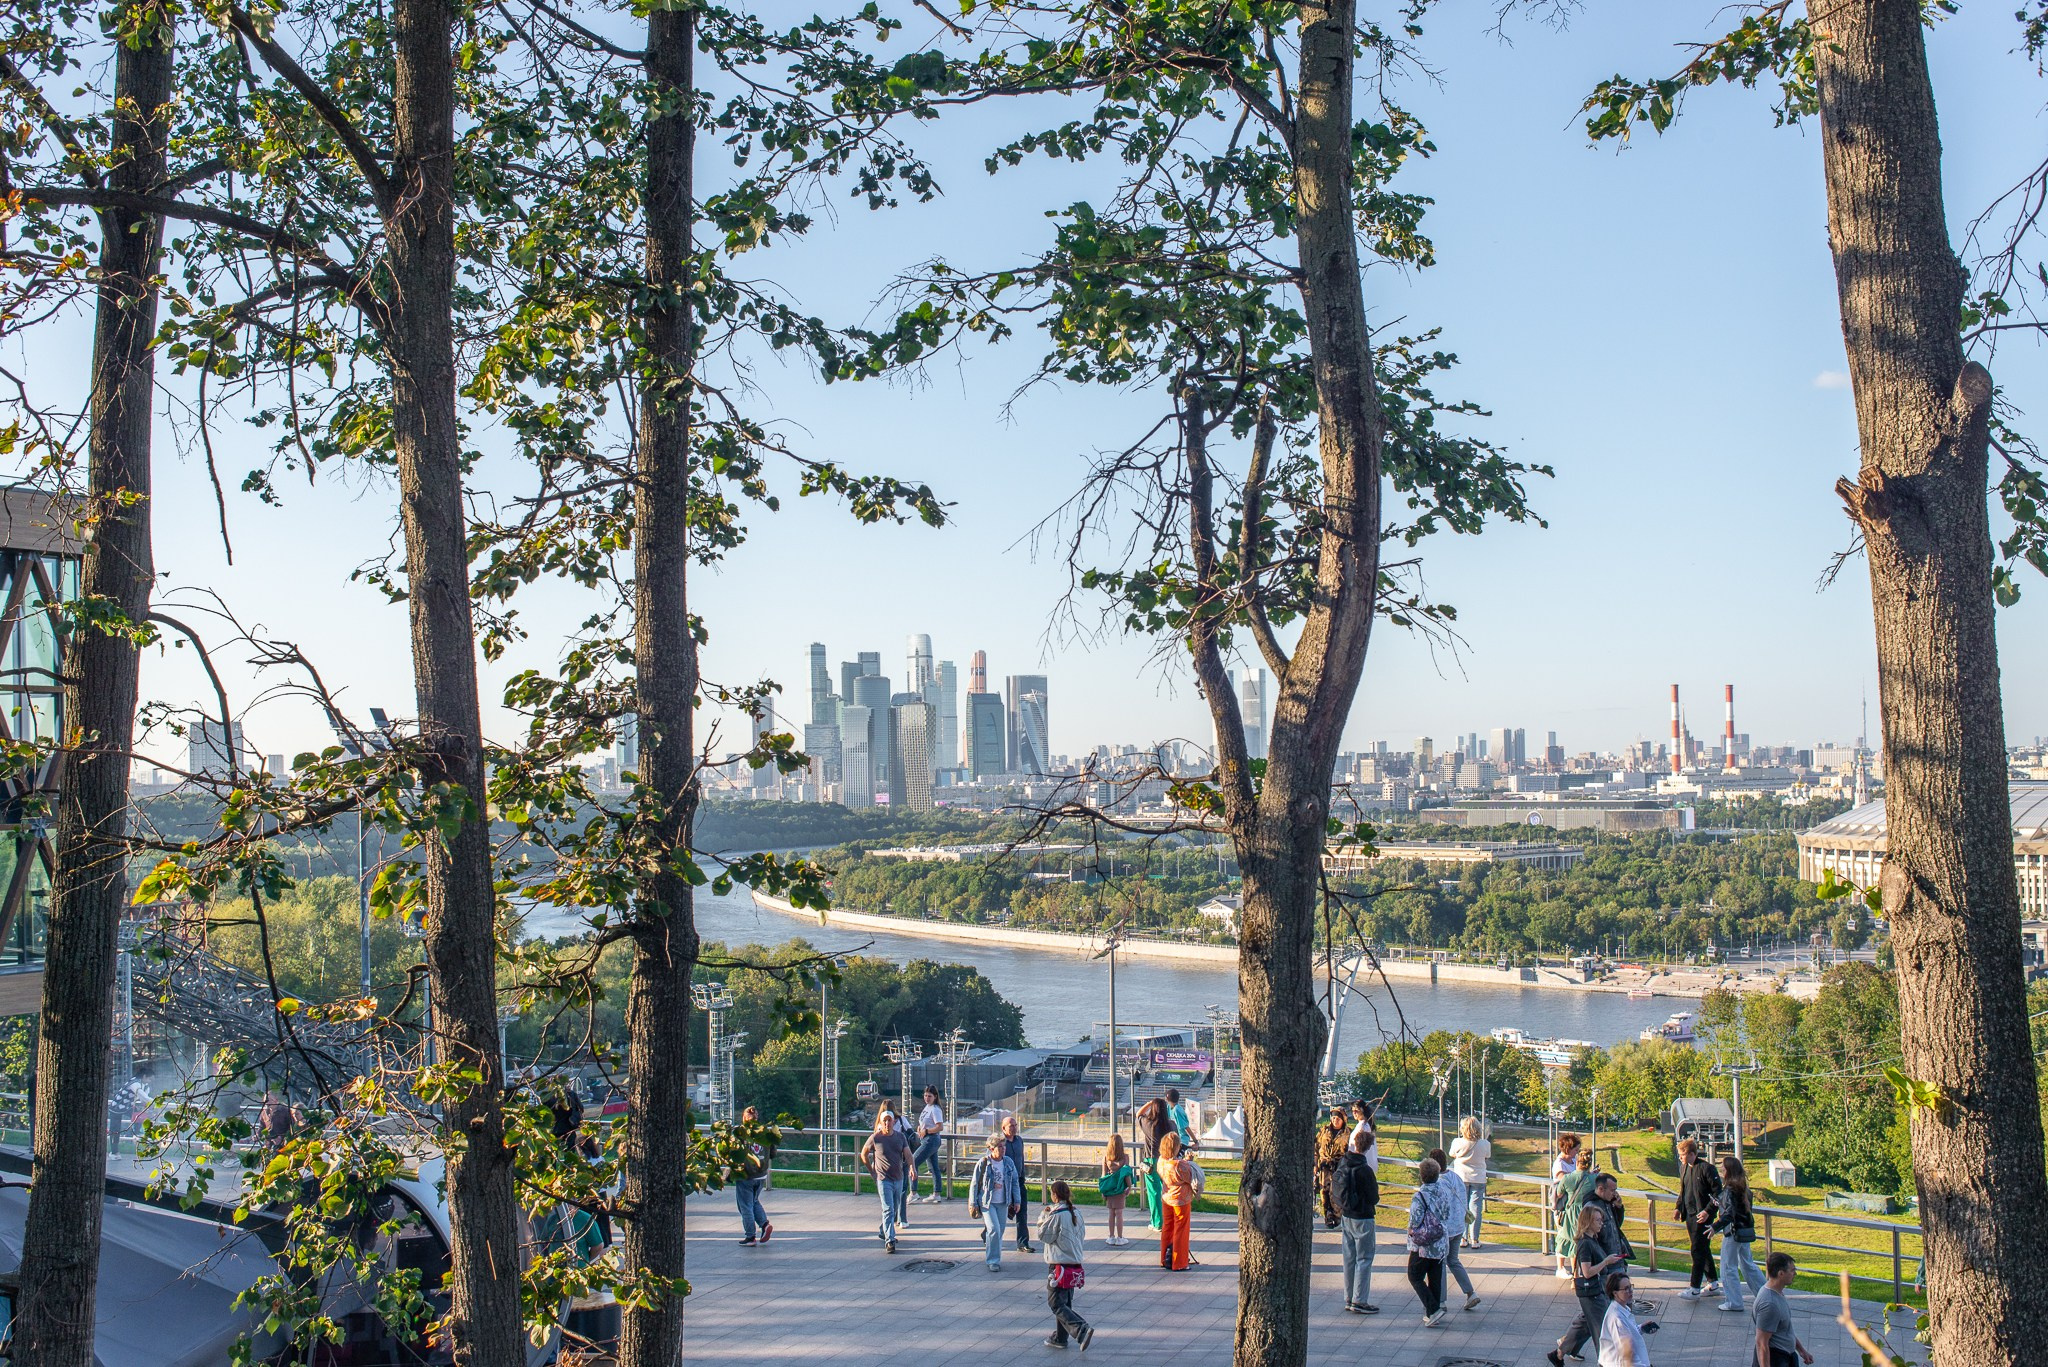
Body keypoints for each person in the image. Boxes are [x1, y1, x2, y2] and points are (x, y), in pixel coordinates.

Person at [1557, 1172, 1633, 1359]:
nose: (1615, 1193)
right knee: (1606, 1314)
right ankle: (1609, 1355)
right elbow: (1588, 1260)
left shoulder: (1607, 1203)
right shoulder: (1592, 1208)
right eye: (1612, 1190)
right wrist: (1605, 1261)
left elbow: (1616, 1226)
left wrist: (1618, 1207)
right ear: (1601, 1189)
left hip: (1613, 1261)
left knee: (1593, 1315)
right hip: (1607, 1266)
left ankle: (1566, 1346)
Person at [1547, 1203, 1624, 1367]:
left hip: (1596, 1291)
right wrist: (1606, 1262)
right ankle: (1605, 1362)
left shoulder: (1592, 1240)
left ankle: (1559, 1353)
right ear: (1588, 1222)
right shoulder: (1585, 1243)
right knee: (1601, 1330)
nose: (1601, 1223)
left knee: (1584, 1325)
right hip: (1592, 1293)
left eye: (1601, 1220)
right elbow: (1587, 1272)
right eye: (1597, 1220)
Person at [1038, 1179, 1095, 1351]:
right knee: (1065, 1302)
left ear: (1054, 1195)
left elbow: (1043, 1235)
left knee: (1055, 1302)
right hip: (1074, 1263)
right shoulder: (1077, 1212)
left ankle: (1081, 1329)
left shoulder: (1056, 1215)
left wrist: (1043, 1217)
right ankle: (1060, 1338)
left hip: (1059, 1265)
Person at [1331, 1132, 1380, 1314]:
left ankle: (1349, 1297)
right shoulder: (1365, 1170)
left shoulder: (1344, 1163)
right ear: (1368, 1147)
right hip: (1363, 1217)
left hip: (1346, 1215)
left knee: (1349, 1258)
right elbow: (1373, 1197)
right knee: (1364, 1258)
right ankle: (1360, 1300)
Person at [1426, 1147, 1480, 1311]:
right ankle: (1470, 1293)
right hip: (1459, 1227)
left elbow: (1437, 1208)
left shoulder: (1438, 1183)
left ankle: (1441, 1301)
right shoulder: (1455, 1177)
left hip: (1445, 1230)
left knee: (1440, 1264)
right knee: (1453, 1261)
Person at [1405, 1156, 1455, 1326]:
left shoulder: (1420, 1196)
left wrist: (1411, 1231)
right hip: (1440, 1242)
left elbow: (1415, 1220)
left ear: (1422, 1176)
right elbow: (1447, 1213)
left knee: (1414, 1275)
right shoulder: (1443, 1191)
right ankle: (1433, 1313)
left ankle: (1433, 1309)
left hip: (1423, 1245)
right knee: (1435, 1277)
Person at [857, 1110, 914, 1253]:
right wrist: (872, 1171)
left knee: (894, 1208)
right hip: (883, 1179)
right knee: (888, 1208)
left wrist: (912, 1167)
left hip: (898, 1177)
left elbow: (908, 1154)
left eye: (889, 1120)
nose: (887, 1123)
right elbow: (864, 1153)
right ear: (881, 1123)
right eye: (885, 1121)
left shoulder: (900, 1137)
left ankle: (885, 1231)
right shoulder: (876, 1138)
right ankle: (890, 1241)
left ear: (894, 1122)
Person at [1714, 1155, 1765, 1311]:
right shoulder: (1744, 1188)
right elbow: (1740, 1210)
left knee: (1728, 1267)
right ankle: (1766, 1296)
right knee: (1748, 1264)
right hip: (1745, 1231)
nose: (1721, 1170)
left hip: (1733, 1232)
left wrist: (1715, 1227)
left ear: (1728, 1171)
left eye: (1723, 1168)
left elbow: (1730, 1213)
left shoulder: (1730, 1189)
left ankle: (1734, 1302)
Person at [1674, 1137, 1722, 1299]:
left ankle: (1694, 1288)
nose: (1680, 1157)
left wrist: (1708, 1211)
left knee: (1697, 1250)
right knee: (1702, 1248)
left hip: (1703, 1217)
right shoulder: (1684, 1168)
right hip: (1690, 1214)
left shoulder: (1707, 1169)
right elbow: (1683, 1190)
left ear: (1692, 1154)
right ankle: (1713, 1283)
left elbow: (1718, 1193)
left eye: (1682, 1155)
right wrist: (1678, 1207)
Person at [970, 1132, 1022, 1272]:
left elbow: (1015, 1182)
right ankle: (993, 1261)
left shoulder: (1008, 1162)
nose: (1003, 1149)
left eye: (1004, 1146)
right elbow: (975, 1183)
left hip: (1003, 1202)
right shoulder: (984, 1163)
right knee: (994, 1229)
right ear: (991, 1148)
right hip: (987, 1202)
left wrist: (1017, 1201)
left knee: (999, 1231)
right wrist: (973, 1203)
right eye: (1000, 1146)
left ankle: (991, 1253)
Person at [1753, 1252, 1815, 1366]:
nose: (1795, 1273)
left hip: (1786, 1356)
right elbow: (1761, 1343)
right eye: (1792, 1270)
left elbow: (1785, 1329)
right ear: (1781, 1273)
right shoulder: (1769, 1304)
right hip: (1776, 1360)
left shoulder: (1777, 1292)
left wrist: (1801, 1350)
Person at [1156, 1132, 1197, 1271]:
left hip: (1167, 1197)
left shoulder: (1161, 1161)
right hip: (1181, 1199)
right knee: (1181, 1230)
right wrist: (1189, 1160)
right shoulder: (1180, 1165)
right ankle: (1179, 1262)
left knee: (1167, 1227)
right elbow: (1189, 1177)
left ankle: (1164, 1258)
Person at [1448, 1115, 1491, 1247]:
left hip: (1460, 1178)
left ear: (1463, 1129)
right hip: (1478, 1179)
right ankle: (1475, 1239)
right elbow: (1487, 1156)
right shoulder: (1485, 1144)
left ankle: (1462, 1238)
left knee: (1461, 1207)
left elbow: (1451, 1154)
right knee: (1476, 1209)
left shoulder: (1457, 1142)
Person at [1597, 1271, 1653, 1367]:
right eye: (1626, 1289)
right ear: (1615, 1293)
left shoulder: (1623, 1309)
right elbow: (1627, 1352)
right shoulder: (1617, 1318)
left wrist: (1641, 1328)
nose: (1630, 1291)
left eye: (1630, 1287)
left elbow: (1627, 1333)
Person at [735, 1104, 773, 1245]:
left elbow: (734, 1153)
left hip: (746, 1174)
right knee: (754, 1201)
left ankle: (750, 1236)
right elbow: (773, 1153)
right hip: (761, 1174)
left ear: (745, 1118)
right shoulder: (765, 1132)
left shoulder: (741, 1133)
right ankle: (765, 1225)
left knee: (745, 1206)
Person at [1552, 1133, 1584, 1278]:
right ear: (1567, 1149)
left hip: (1572, 1205)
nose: (1577, 1153)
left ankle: (1573, 1269)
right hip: (1563, 1205)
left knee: (1572, 1236)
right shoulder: (1559, 1164)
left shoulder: (1573, 1160)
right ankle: (1560, 1268)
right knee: (1563, 1235)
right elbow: (1564, 1181)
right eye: (1575, 1150)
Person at [1001, 1113, 1033, 1252]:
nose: (1014, 1128)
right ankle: (987, 1234)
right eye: (1011, 1126)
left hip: (1019, 1182)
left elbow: (1021, 1160)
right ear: (1003, 1128)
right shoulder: (1000, 1143)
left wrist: (1022, 1176)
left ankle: (1023, 1243)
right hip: (1004, 1184)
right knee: (1001, 1212)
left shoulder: (1019, 1140)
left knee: (1022, 1212)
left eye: (1015, 1125)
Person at [1316, 1109, 1352, 1229]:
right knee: (1324, 1192)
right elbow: (1316, 1147)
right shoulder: (1324, 1130)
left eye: (1338, 1118)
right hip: (1325, 1166)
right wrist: (1315, 1165)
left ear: (1343, 1120)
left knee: (1336, 1192)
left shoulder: (1348, 1133)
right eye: (1333, 1117)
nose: (1335, 1120)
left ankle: (1337, 1218)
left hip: (1339, 1167)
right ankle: (1328, 1217)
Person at [911, 1086, 947, 1202]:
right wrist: (920, 1127)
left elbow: (939, 1127)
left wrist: (926, 1131)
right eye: (925, 1095)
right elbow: (925, 1121)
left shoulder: (935, 1109)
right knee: (933, 1167)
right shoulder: (927, 1107)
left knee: (912, 1161)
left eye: (929, 1096)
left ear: (935, 1097)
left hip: (931, 1139)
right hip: (926, 1139)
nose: (927, 1098)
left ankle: (913, 1192)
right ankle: (937, 1193)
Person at [1097, 1133, 1134, 1247]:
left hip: (1109, 1188)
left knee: (1111, 1213)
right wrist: (1129, 1187)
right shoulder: (1125, 1157)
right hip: (1120, 1188)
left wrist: (1103, 1191)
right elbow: (1126, 1173)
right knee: (1119, 1213)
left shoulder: (1106, 1158)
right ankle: (1120, 1237)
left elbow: (1103, 1175)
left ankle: (1111, 1236)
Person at [1350, 1099, 1380, 1170]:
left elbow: (1359, 1148)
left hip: (1361, 1165)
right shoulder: (1368, 1124)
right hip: (1370, 1164)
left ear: (1363, 1111)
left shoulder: (1362, 1127)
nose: (1354, 1113)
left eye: (1356, 1110)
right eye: (1352, 1111)